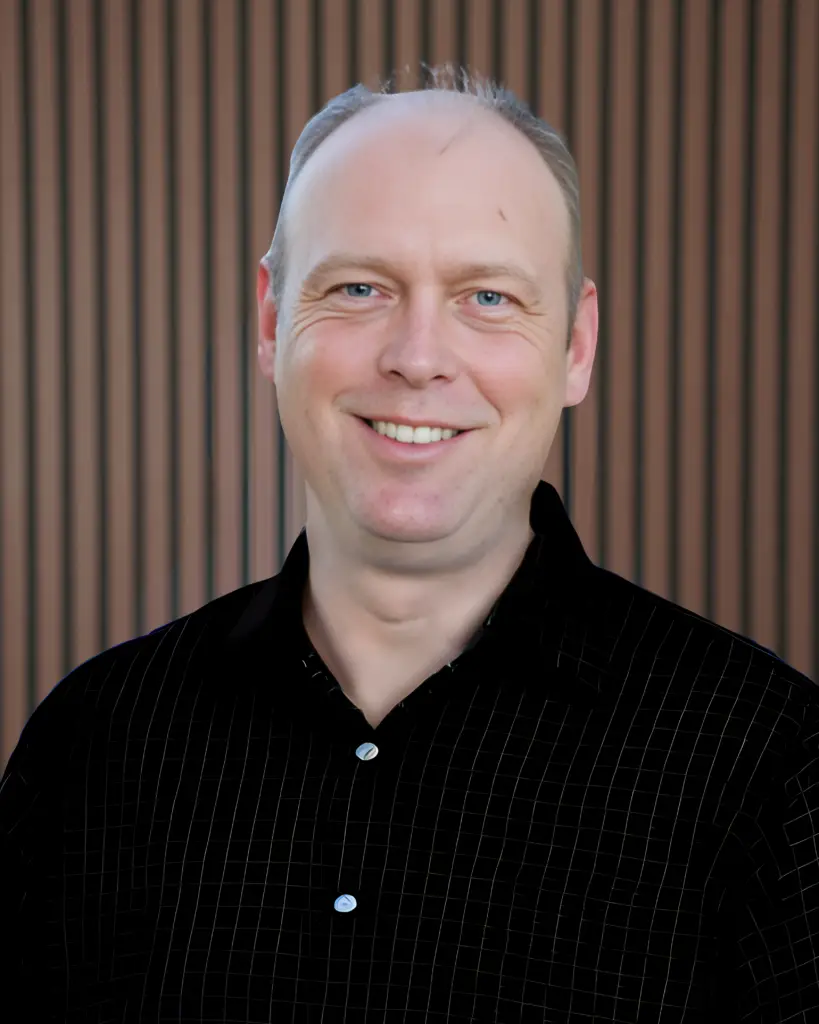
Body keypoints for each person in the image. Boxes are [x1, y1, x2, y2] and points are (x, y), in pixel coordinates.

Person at [1, 65, 817, 1023]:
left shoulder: (769, 767)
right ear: (271, 322)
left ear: (578, 346)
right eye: (357, 287)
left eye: (487, 299)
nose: (418, 355)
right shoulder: (92, 748)